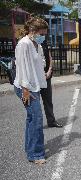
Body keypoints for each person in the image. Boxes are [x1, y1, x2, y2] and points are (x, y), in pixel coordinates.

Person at [13, 17, 48, 165]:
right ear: (33, 31)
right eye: (42, 34)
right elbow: (21, 67)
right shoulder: (24, 44)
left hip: (34, 86)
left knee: (32, 119)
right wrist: (25, 89)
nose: (43, 37)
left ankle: (31, 149)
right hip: (25, 87)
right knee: (37, 119)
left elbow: (39, 63)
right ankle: (35, 153)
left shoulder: (36, 45)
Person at [38, 22, 61, 128]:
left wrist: (50, 69)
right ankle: (37, 124)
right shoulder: (31, 43)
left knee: (48, 101)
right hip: (36, 77)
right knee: (36, 103)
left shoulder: (43, 41)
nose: (45, 33)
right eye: (44, 31)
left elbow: (49, 56)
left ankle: (51, 121)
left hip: (47, 76)